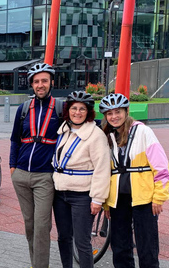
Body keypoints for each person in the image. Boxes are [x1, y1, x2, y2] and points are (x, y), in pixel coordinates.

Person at [99, 93, 169, 268]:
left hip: (143, 198)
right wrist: (107, 203)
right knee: (120, 247)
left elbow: (161, 166)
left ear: (126, 112)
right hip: (119, 199)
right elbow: (107, 173)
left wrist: (159, 197)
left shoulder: (143, 132)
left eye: (118, 112)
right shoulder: (108, 137)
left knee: (147, 247)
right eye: (109, 113)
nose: (114, 117)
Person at [9, 63, 62, 268]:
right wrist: (13, 167)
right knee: (30, 225)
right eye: (36, 81)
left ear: (51, 83)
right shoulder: (23, 109)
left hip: (45, 177)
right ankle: (35, 263)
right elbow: (15, 139)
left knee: (42, 226)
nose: (40, 85)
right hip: (21, 175)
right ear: (32, 84)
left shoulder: (60, 108)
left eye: (44, 81)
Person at [52, 91, 111, 268]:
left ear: (89, 112)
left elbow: (102, 168)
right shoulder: (64, 130)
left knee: (82, 242)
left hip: (82, 196)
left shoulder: (96, 135)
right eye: (74, 108)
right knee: (63, 237)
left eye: (82, 109)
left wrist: (98, 199)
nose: (77, 112)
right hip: (60, 193)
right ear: (68, 110)